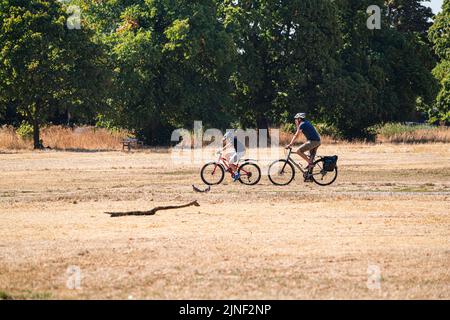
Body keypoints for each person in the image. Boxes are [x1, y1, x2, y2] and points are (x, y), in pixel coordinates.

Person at [285, 113, 321, 178]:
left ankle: (310, 163)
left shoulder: (302, 124)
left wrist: (290, 144)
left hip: (314, 141)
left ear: (299, 119)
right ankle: (309, 176)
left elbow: (296, 135)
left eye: (296, 119)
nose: (295, 120)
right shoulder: (305, 122)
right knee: (311, 157)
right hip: (316, 141)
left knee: (298, 151)